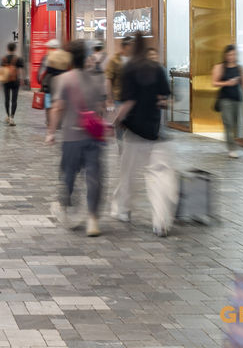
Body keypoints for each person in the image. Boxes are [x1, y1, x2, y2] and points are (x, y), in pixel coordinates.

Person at [110, 32, 175, 236]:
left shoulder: (130, 68)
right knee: (158, 176)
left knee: (128, 174)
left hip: (134, 131)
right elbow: (164, 98)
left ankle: (123, 210)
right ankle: (161, 221)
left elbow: (128, 102)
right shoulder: (157, 68)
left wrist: (116, 120)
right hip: (155, 130)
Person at [46, 40, 105, 237]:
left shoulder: (64, 79)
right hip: (93, 137)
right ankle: (93, 219)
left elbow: (57, 108)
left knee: (69, 174)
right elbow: (102, 107)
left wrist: (51, 132)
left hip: (71, 136)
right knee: (94, 176)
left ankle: (65, 207)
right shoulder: (97, 79)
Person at [211, 45, 243, 159]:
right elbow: (214, 82)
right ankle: (232, 148)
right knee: (228, 123)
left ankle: (232, 142)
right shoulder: (220, 67)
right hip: (225, 99)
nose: (231, 57)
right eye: (229, 54)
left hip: (236, 99)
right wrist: (227, 83)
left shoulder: (239, 68)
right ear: (225, 55)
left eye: (233, 54)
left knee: (234, 124)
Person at [38, 40, 71, 124]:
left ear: (50, 47)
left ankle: (49, 121)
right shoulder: (65, 56)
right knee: (60, 101)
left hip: (49, 82)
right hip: (62, 81)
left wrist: (39, 80)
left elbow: (43, 70)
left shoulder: (47, 57)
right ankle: (59, 121)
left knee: (48, 102)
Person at [104, 36, 133, 114]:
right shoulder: (114, 60)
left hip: (132, 99)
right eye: (132, 45)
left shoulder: (134, 59)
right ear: (126, 46)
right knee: (120, 119)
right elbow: (108, 79)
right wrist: (109, 98)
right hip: (119, 98)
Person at [0, 43, 24, 126]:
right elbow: (21, 70)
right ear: (15, 49)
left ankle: (8, 116)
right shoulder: (18, 59)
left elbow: (1, 71)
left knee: (7, 99)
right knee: (14, 100)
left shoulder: (3, 59)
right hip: (15, 80)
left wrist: (0, 82)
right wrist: (22, 79)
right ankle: (12, 117)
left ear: (7, 49)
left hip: (6, 81)